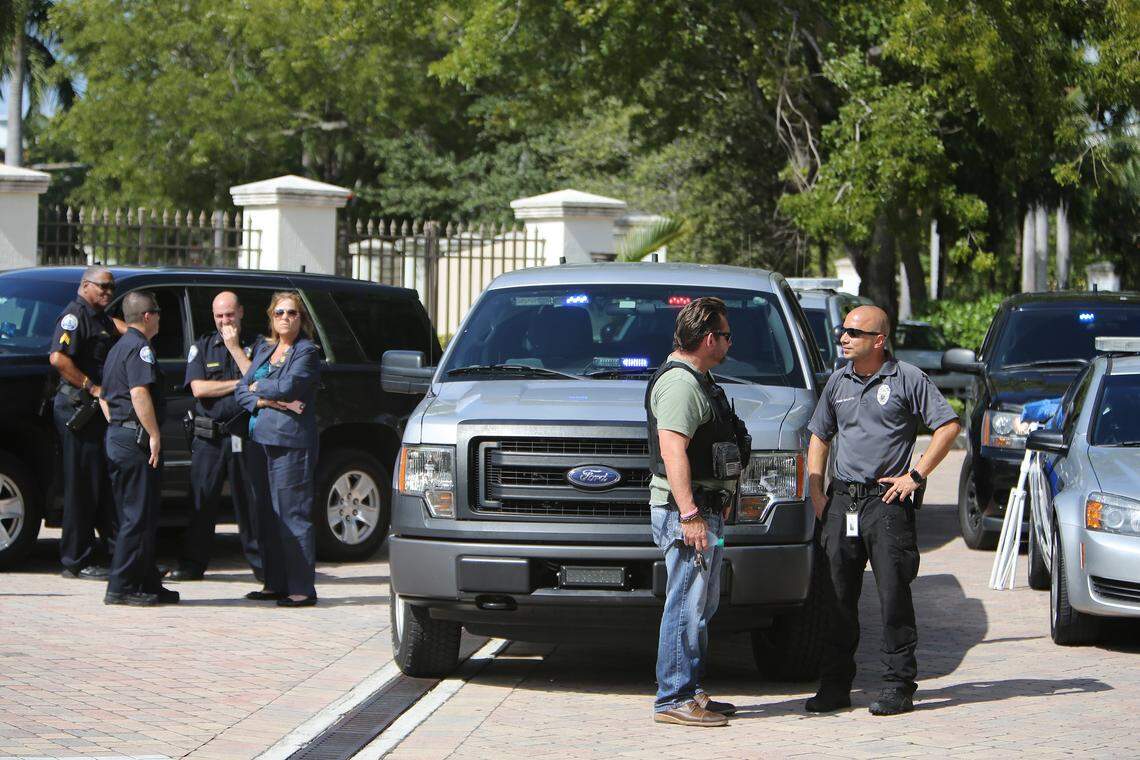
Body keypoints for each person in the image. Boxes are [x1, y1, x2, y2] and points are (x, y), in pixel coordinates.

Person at [805, 305, 960, 716]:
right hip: (843, 504)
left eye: (854, 332)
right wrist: (816, 491)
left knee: (893, 596)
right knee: (837, 597)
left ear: (879, 340)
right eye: (843, 331)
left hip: (886, 503)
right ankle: (835, 686)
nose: (844, 337)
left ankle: (897, 685)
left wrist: (916, 475)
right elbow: (819, 436)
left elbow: (947, 426)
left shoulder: (907, 378)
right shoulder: (837, 381)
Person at [645, 296, 747, 727]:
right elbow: (673, 451)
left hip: (704, 511)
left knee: (700, 606)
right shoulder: (681, 385)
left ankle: (690, 689)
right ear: (709, 338)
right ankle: (673, 697)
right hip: (687, 513)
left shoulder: (700, 380)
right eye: (725, 335)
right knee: (685, 605)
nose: (728, 342)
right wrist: (689, 515)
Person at [235, 292, 321, 607]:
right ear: (272, 317)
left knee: (292, 513)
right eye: (280, 313)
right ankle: (274, 582)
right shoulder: (264, 349)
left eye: (292, 313)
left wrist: (261, 388)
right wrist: (267, 399)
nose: (285, 318)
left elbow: (290, 386)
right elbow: (240, 390)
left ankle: (301, 588)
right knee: (266, 514)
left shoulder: (306, 351)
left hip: (291, 443)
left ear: (302, 319)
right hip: (259, 438)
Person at [169, 291, 262, 582]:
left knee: (251, 506)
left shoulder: (255, 346)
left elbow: (259, 382)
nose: (225, 320)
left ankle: (263, 569)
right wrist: (240, 385)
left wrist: (235, 349)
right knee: (201, 502)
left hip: (243, 437)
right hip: (209, 438)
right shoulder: (203, 346)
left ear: (241, 313)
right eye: (220, 316)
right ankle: (192, 565)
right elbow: (198, 389)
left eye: (230, 314)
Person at [100, 291, 178, 606]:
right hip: (135, 441)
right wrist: (153, 434)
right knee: (136, 516)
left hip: (120, 436)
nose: (160, 317)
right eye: (157, 312)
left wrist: (119, 427)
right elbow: (138, 393)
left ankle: (147, 581)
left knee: (140, 513)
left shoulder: (117, 348)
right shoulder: (139, 348)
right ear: (147, 316)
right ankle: (121, 587)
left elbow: (104, 397)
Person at [48, 266, 125, 580]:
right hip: (79, 409)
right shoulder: (74, 316)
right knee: (81, 486)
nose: (108, 292)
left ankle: (111, 554)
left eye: (111, 287)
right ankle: (75, 560)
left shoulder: (99, 316)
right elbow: (58, 358)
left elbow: (118, 327)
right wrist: (92, 387)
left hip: (96, 413)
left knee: (101, 485)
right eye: (103, 287)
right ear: (85, 286)